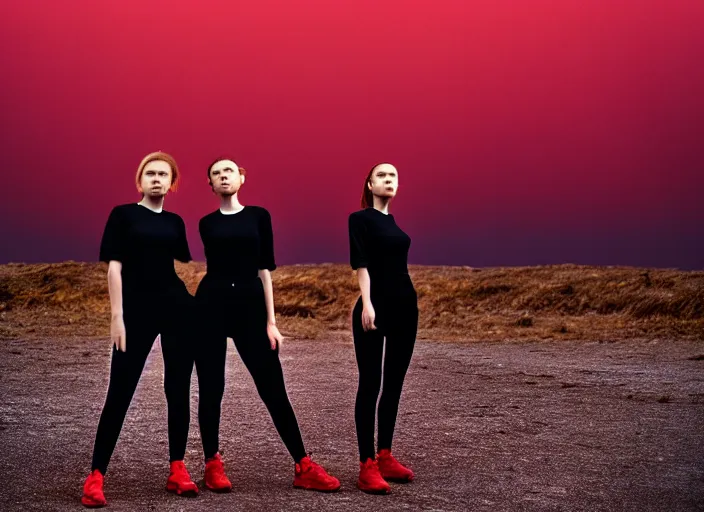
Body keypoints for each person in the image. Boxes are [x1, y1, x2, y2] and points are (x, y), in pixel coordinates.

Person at [193, 156, 340, 493]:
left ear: (241, 178)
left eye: (228, 171)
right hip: (211, 305)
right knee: (211, 388)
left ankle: (303, 464)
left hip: (250, 306)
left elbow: (265, 270)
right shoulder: (206, 223)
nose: (223, 177)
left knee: (273, 387)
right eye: (216, 174)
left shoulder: (260, 217)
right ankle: (212, 463)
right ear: (211, 185)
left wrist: (271, 322)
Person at [81, 152, 198, 508]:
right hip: (135, 310)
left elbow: (179, 263)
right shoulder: (123, 215)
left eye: (164, 174)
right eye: (151, 173)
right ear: (140, 180)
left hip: (176, 307)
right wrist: (117, 316)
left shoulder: (176, 222)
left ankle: (177, 469)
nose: (157, 179)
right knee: (120, 390)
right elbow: (114, 269)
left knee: (177, 388)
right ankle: (96, 476)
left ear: (172, 182)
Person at [348, 163, 418, 494]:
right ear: (370, 184)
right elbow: (360, 263)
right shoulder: (360, 219)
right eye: (383, 176)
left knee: (394, 382)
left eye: (394, 177)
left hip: (406, 306)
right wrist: (367, 303)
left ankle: (385, 455)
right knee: (370, 383)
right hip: (375, 307)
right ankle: (366, 464)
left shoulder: (393, 223)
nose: (389, 180)